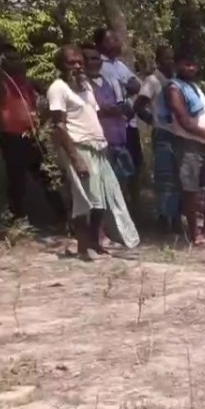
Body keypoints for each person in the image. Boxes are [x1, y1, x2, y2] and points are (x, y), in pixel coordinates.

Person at [46, 45, 139, 260]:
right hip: (79, 147)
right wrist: (75, 159)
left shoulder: (85, 86)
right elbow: (59, 126)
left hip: (98, 147)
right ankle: (83, 246)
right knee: (84, 200)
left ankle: (95, 243)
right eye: (71, 63)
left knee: (102, 199)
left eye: (79, 62)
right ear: (61, 65)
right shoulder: (58, 88)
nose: (77, 66)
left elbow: (94, 115)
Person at [0, 44, 67, 222]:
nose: (16, 62)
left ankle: (63, 219)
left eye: (17, 58)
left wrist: (43, 117)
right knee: (17, 179)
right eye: (10, 58)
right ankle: (17, 221)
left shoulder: (28, 81)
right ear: (2, 61)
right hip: (11, 137)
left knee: (49, 176)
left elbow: (54, 95)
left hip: (33, 136)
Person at [162, 50, 205, 246]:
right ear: (178, 65)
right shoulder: (174, 88)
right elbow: (184, 120)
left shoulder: (195, 87)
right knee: (190, 189)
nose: (190, 68)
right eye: (186, 64)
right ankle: (195, 234)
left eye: (193, 64)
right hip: (189, 144)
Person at [93, 28, 143, 210]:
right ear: (99, 45)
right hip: (112, 127)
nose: (116, 42)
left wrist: (128, 86)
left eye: (116, 39)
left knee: (135, 166)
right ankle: (116, 208)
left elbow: (137, 85)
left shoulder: (120, 65)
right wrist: (125, 86)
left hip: (130, 124)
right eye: (110, 40)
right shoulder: (100, 66)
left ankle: (135, 207)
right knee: (115, 169)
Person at [135, 45, 180, 231]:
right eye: (166, 59)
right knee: (164, 177)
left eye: (172, 59)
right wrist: (153, 121)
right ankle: (163, 218)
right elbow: (138, 106)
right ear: (158, 60)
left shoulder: (176, 81)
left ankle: (176, 217)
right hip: (162, 133)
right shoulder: (152, 81)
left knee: (179, 177)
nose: (170, 62)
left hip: (179, 133)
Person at [83, 46, 136, 185]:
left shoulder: (111, 81)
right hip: (98, 146)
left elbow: (124, 107)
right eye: (86, 59)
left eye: (94, 58)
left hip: (120, 141)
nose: (90, 62)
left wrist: (122, 111)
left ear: (100, 61)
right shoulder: (82, 86)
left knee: (127, 182)